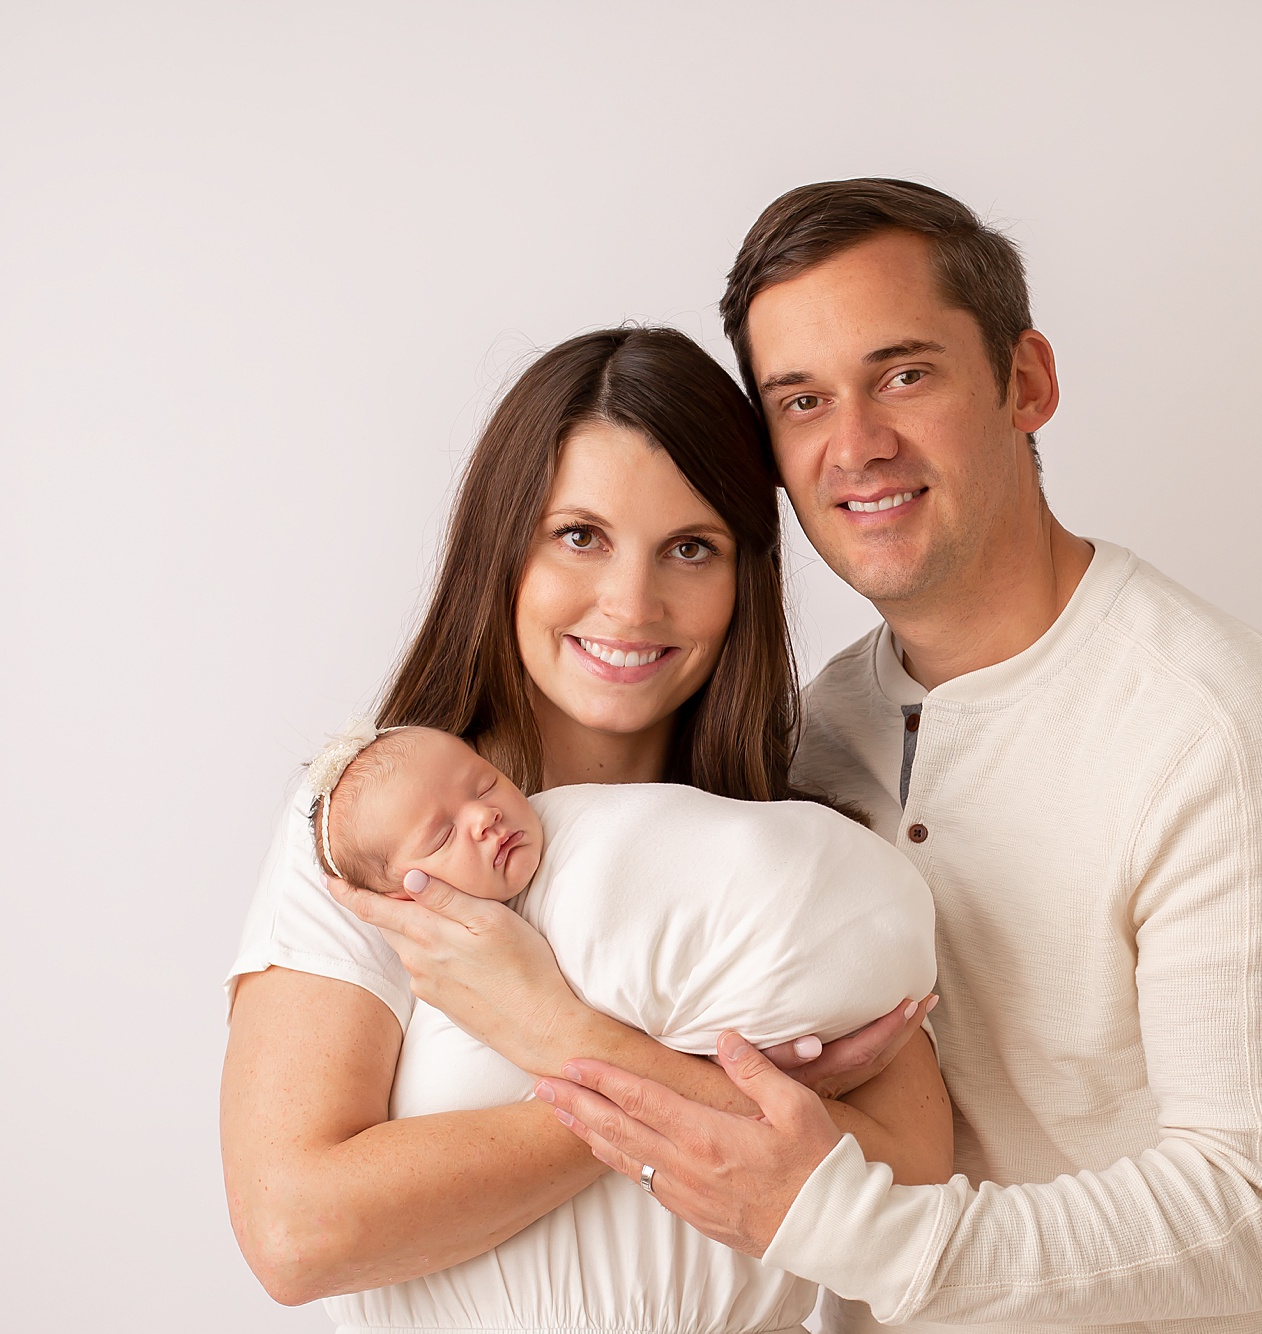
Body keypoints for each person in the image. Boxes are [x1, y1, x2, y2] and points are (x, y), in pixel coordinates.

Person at [351, 180, 1262, 1333]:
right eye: (800, 400)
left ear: (1025, 381)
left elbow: (1255, 1215)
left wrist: (825, 1209)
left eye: (904, 373)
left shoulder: (1217, 732)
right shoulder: (822, 727)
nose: (856, 445)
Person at [220, 326, 952, 1321]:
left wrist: (556, 1032)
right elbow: (299, 1231)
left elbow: (910, 1193)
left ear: (745, 577)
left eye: (690, 547)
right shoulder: (374, 829)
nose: (630, 602)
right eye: (580, 536)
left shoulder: (796, 850)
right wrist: (714, 1088)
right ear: (502, 544)